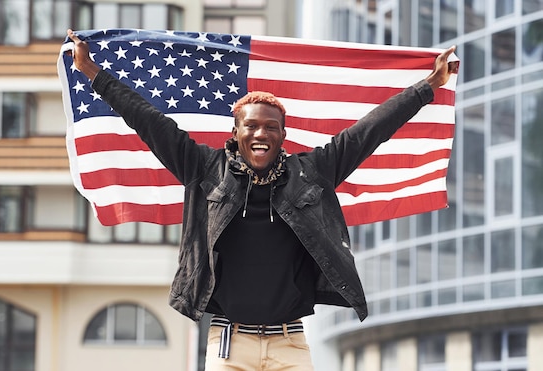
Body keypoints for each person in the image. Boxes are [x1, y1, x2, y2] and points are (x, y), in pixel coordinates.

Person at [66, 28, 457, 370]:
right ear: (236, 132)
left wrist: (429, 85)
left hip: (290, 344)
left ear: (282, 135)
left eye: (271, 127)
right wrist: (91, 72)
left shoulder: (312, 174)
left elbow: (369, 131)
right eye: (251, 126)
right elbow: (148, 120)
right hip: (228, 345)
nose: (260, 134)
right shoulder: (203, 169)